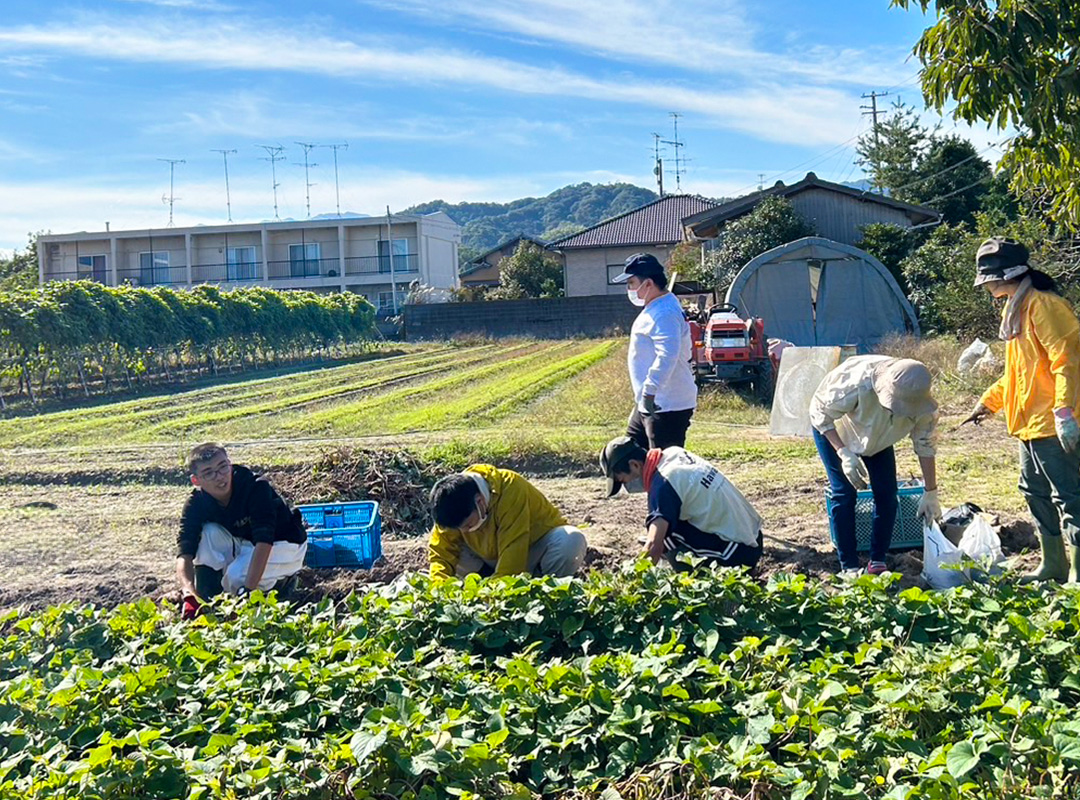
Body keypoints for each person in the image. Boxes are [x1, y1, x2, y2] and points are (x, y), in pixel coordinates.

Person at [962, 237, 1080, 583]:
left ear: (1007, 275)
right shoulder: (1015, 306)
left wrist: (1064, 412)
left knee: (1069, 496)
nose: (987, 286)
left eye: (989, 279)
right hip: (1027, 422)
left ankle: (1077, 573)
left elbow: (1067, 361)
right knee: (1034, 491)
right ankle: (1053, 566)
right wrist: (989, 402)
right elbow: (1018, 372)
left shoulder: (1044, 306)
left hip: (1052, 421)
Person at [810, 356, 941, 576]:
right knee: (844, 493)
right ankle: (849, 566)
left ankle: (877, 561)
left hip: (879, 439)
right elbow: (820, 413)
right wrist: (843, 452)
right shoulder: (855, 383)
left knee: (887, 494)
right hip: (839, 430)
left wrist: (931, 492)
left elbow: (925, 444)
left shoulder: (923, 406)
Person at [177, 443, 308, 618]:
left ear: (229, 464)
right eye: (209, 473)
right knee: (207, 533)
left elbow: (264, 540)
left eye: (223, 467)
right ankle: (207, 601)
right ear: (196, 480)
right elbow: (185, 551)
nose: (219, 477)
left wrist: (248, 591)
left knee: (236, 576)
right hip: (247, 544)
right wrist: (188, 593)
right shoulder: (196, 502)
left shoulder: (255, 487)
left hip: (285, 545)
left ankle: (283, 584)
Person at [599, 436, 764, 570]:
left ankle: (693, 586)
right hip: (754, 537)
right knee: (668, 522)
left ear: (634, 465)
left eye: (623, 480)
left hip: (737, 555)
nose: (628, 486)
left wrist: (633, 582)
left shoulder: (663, 484)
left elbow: (653, 545)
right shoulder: (674, 454)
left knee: (666, 535)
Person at [428, 465, 587, 579]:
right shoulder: (449, 500)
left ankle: (547, 588)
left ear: (480, 502)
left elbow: (514, 547)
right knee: (451, 553)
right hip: (491, 559)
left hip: (532, 551)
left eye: (468, 525)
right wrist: (439, 589)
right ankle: (488, 578)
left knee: (571, 540)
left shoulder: (510, 488)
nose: (465, 531)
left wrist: (495, 593)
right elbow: (441, 554)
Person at [611, 252, 697, 450]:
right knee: (627, 456)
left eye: (631, 283)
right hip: (649, 401)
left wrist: (650, 392)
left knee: (662, 467)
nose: (629, 289)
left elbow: (668, 355)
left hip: (665, 405)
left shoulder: (665, 313)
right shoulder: (658, 306)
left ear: (648, 283)